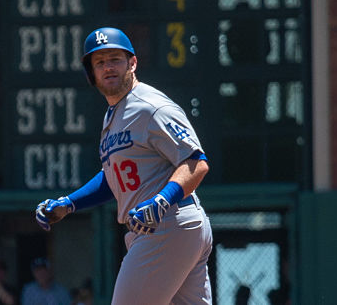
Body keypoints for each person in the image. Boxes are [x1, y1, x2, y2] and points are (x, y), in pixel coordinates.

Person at [33, 27, 214, 304]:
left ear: (132, 63)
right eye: (99, 62)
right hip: (173, 229)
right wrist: (69, 203)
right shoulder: (114, 114)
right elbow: (113, 178)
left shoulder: (150, 106)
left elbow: (195, 162)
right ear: (91, 73)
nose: (108, 67)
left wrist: (161, 200)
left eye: (115, 59)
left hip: (166, 226)